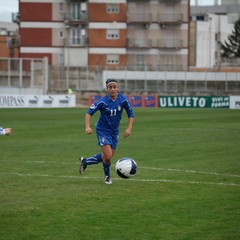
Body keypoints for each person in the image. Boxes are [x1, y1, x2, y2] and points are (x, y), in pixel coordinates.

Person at [79, 79, 134, 184]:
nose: (112, 89)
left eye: (114, 87)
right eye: (110, 87)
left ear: (117, 88)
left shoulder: (123, 100)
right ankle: (107, 177)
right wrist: (87, 127)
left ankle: (85, 161)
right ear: (107, 89)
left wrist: (129, 128)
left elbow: (131, 114)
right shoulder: (102, 101)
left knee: (106, 157)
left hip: (114, 131)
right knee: (108, 156)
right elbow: (88, 113)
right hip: (102, 130)